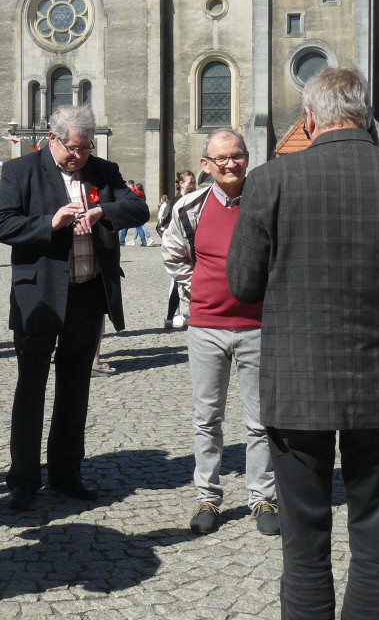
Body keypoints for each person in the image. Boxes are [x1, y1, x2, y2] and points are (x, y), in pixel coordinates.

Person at [226, 67, 379, 619]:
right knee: (374, 533)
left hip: (298, 379)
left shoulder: (270, 181)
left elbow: (243, 284)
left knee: (303, 539)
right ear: (368, 116)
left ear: (309, 118)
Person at [0, 105, 148, 510]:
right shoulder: (21, 172)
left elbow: (138, 208)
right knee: (31, 388)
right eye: (72, 147)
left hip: (86, 292)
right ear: (52, 138)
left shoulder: (102, 171)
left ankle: (66, 471)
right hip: (39, 296)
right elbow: (1, 225)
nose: (78, 155)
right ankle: (23, 478)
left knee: (75, 386)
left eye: (85, 147)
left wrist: (102, 211)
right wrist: (49, 222)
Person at [161, 129, 278, 536]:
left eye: (237, 155)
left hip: (256, 327)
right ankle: (207, 496)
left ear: (247, 158)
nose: (230, 163)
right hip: (206, 328)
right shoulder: (189, 207)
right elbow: (173, 255)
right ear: (206, 165)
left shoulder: (266, 205)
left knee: (261, 421)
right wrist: (202, 288)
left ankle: (262, 498)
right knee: (206, 418)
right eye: (221, 158)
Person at [161, 170, 196, 329]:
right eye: (190, 183)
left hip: (192, 246)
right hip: (179, 247)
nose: (192, 186)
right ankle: (171, 317)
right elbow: (167, 225)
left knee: (183, 283)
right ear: (181, 184)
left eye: (194, 183)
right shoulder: (176, 202)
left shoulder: (196, 199)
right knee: (177, 282)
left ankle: (182, 315)